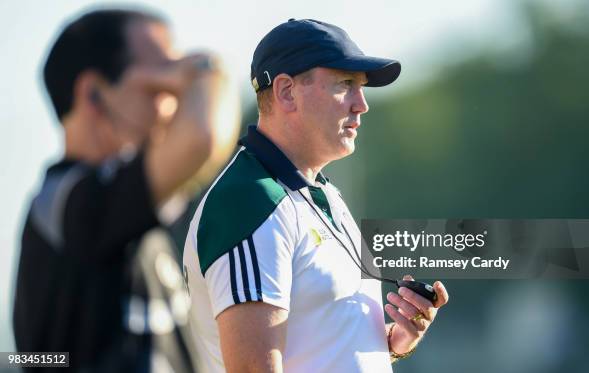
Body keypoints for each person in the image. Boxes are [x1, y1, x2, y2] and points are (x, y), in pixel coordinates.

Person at [182, 18, 449, 372]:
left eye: (362, 87)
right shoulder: (250, 201)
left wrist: (395, 342)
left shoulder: (321, 193)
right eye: (345, 84)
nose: (361, 104)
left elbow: (327, 346)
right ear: (286, 91)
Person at [13, 8, 239, 372]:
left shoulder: (130, 212)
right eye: (160, 85)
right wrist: (203, 68)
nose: (173, 105)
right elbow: (203, 136)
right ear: (92, 94)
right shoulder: (65, 201)